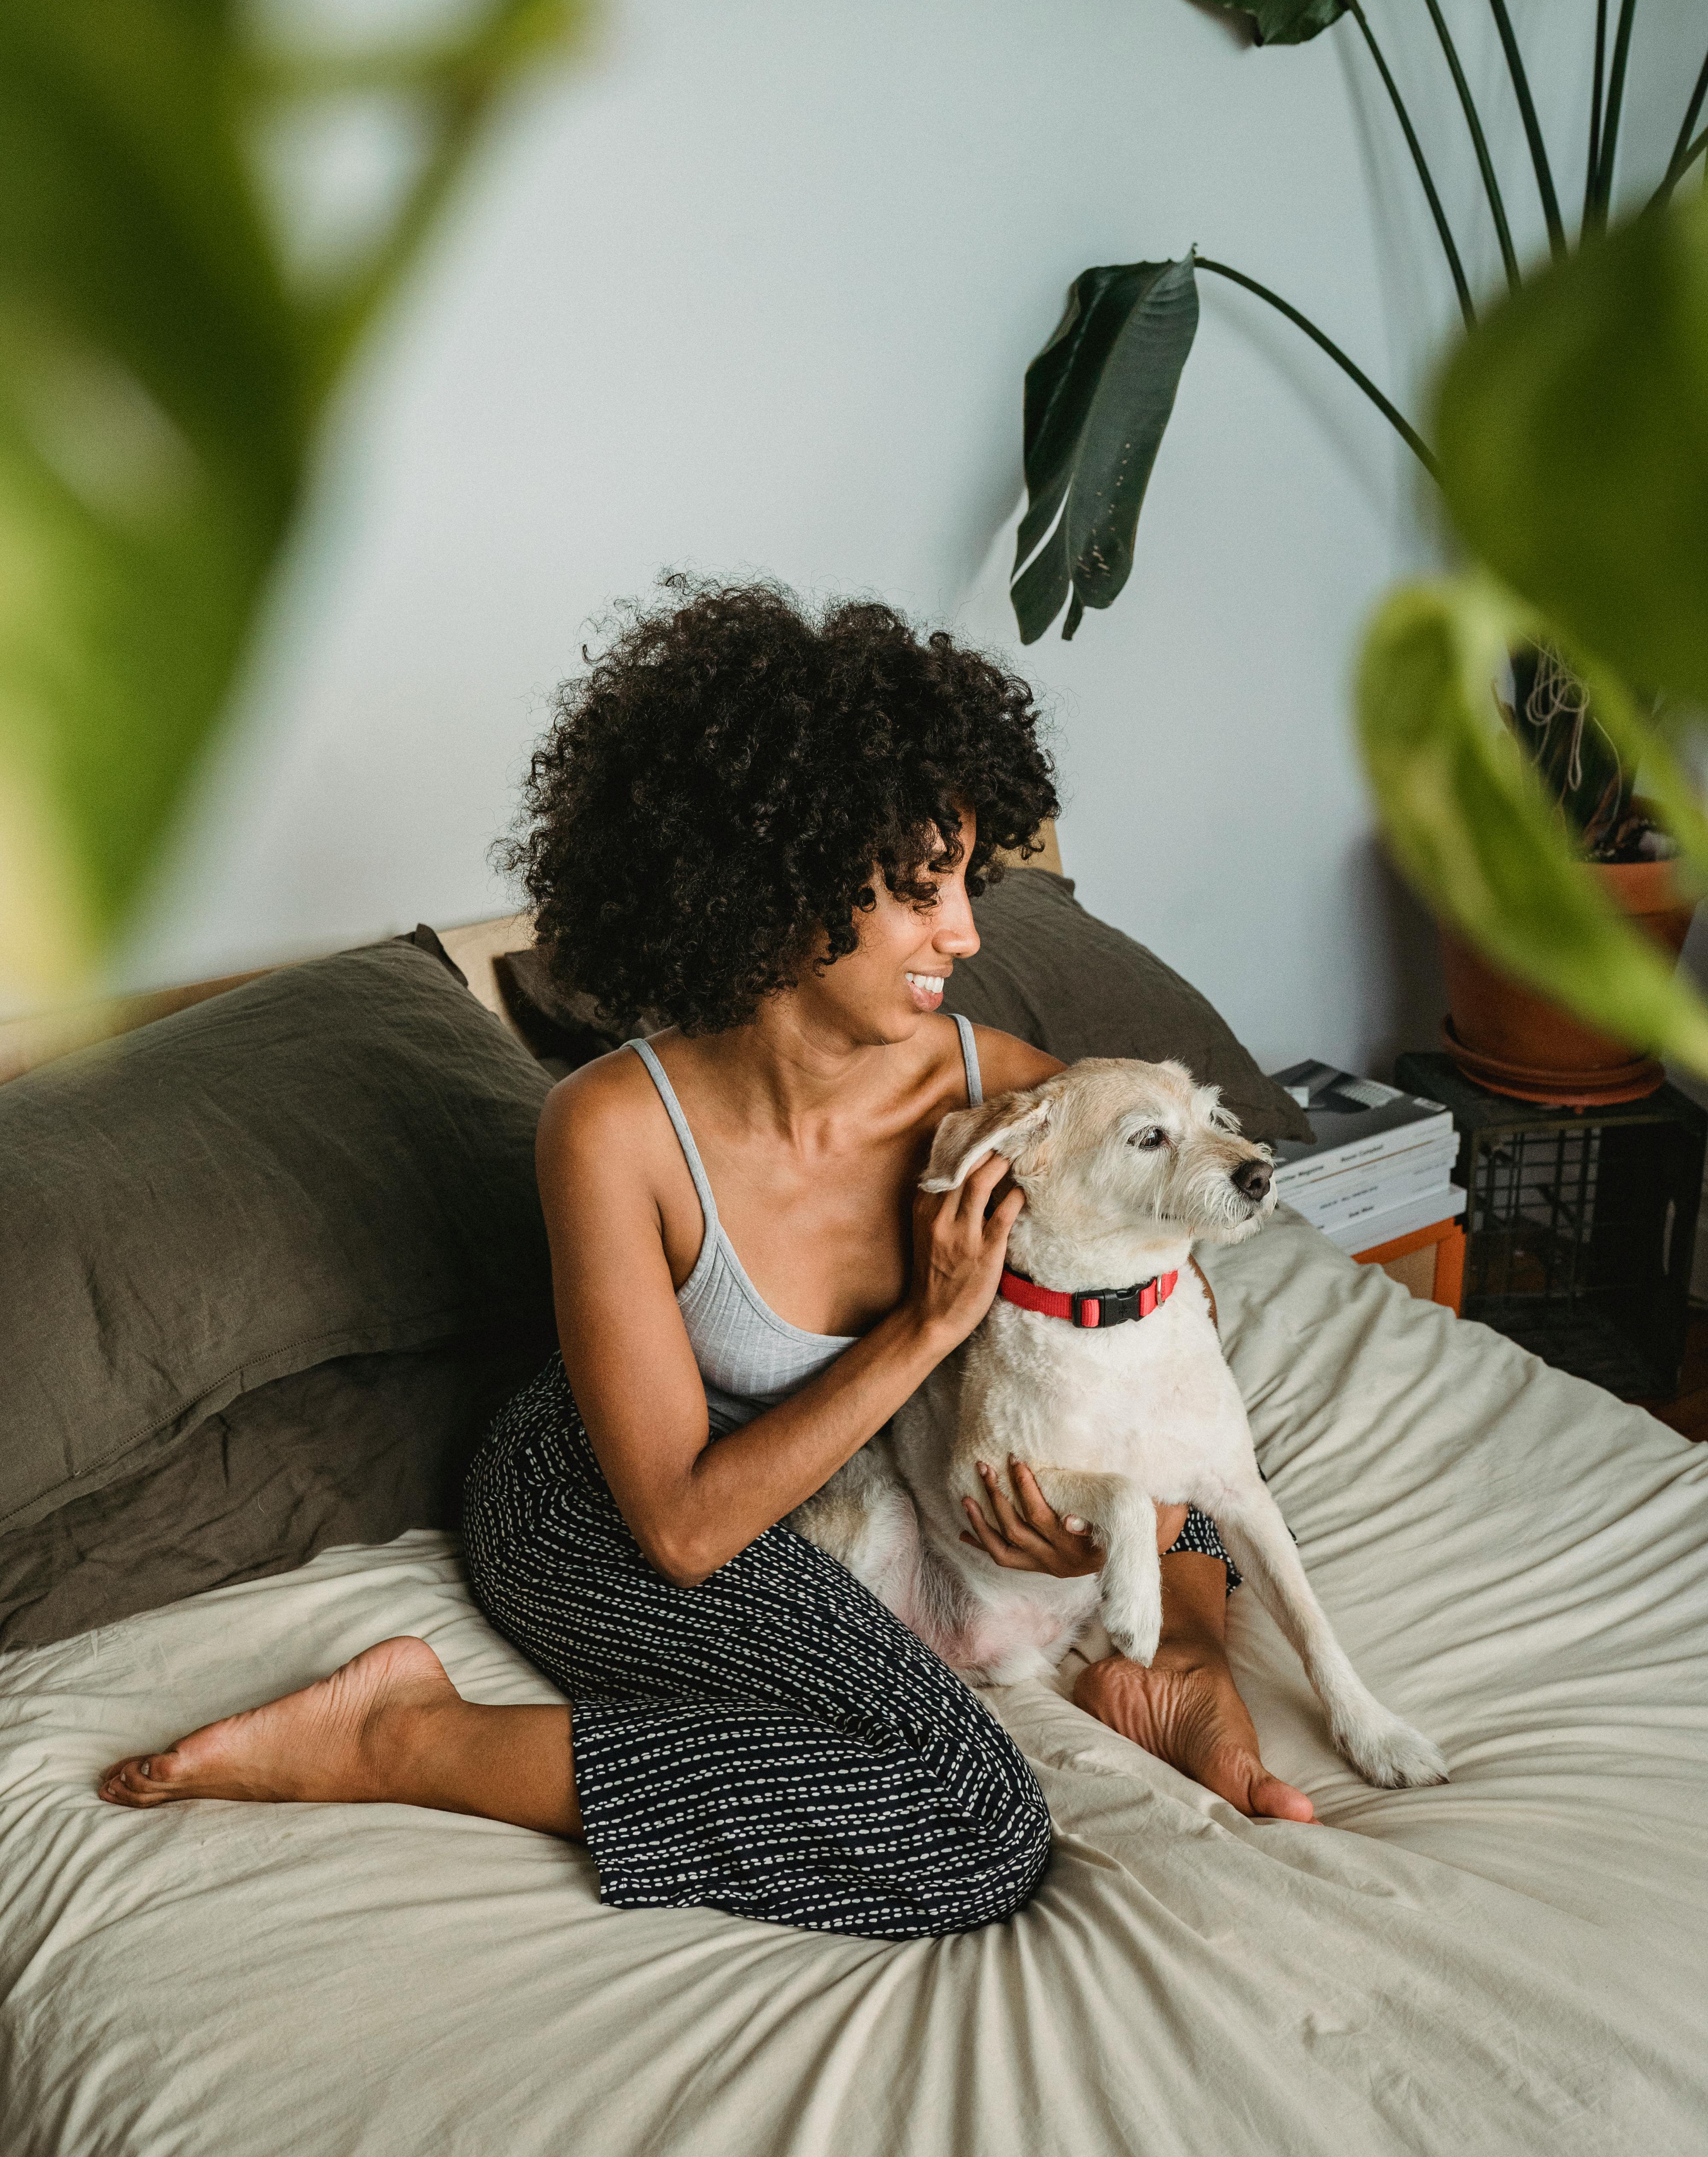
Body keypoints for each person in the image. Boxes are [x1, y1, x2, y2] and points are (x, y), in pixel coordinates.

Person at [99, 583, 1314, 1936]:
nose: (966, 933)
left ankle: (1161, 1669)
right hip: (603, 1505)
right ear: (786, 892)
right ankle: (404, 1736)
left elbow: (1171, 1343)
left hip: (855, 1507)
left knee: (961, 1727)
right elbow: (681, 1524)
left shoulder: (1008, 1102)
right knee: (971, 1827)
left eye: (967, 881)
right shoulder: (613, 1132)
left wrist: (1177, 1589)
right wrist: (925, 1326)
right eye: (923, 892)